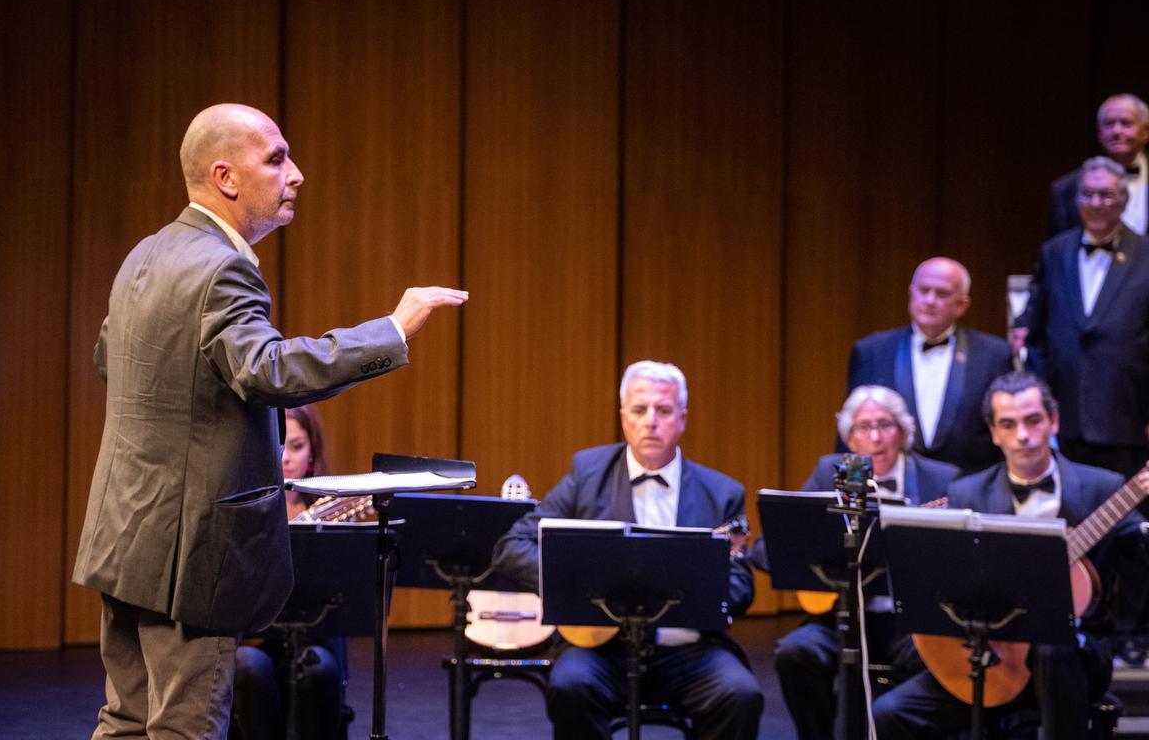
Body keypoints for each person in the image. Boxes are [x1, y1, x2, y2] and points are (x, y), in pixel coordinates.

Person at [73, 103, 468, 740]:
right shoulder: (221, 265)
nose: (298, 174)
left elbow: (108, 362)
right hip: (189, 553)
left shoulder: (144, 256)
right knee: (183, 728)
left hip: (125, 535)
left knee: (125, 721)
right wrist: (391, 330)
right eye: (277, 158)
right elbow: (267, 370)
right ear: (226, 178)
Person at [491, 360, 764, 740]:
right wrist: (577, 578)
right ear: (623, 417)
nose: (651, 421)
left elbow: (741, 585)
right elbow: (512, 546)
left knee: (740, 694)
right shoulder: (587, 474)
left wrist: (694, 584)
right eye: (639, 410)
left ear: (682, 419)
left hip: (689, 651)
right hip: (602, 649)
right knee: (570, 687)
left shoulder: (722, 492)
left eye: (664, 410)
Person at [873, 371, 1149, 739]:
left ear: (1054, 420)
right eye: (1009, 424)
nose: (1023, 435)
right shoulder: (967, 492)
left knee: (1052, 649)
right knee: (890, 712)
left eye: (1033, 420)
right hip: (989, 651)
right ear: (994, 433)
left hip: (1072, 656)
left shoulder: (1104, 488)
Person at [774, 385, 959, 740]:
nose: (876, 437)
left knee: (942, 661)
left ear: (903, 432)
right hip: (842, 619)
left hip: (913, 623)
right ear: (849, 439)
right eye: (863, 428)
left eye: (885, 425)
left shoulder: (942, 479)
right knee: (795, 653)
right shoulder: (834, 471)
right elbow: (775, 545)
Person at [1024, 156, 1149, 479]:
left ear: (1124, 201)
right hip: (1064, 420)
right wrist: (1043, 400)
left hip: (1128, 419)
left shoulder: (1146, 254)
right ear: (1076, 199)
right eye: (1088, 194)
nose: (1096, 203)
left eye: (1106, 195)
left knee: (1122, 524)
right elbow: (1035, 335)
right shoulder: (1054, 252)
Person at [232, 404, 346, 740]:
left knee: (319, 667)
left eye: (296, 447)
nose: (286, 458)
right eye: (279, 447)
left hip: (314, 636)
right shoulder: (243, 510)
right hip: (257, 636)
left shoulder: (328, 511)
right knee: (248, 666)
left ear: (312, 452)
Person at [845, 257, 1013, 473]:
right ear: (911, 293)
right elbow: (850, 430)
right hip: (890, 487)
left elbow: (1004, 429)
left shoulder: (994, 355)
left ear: (962, 305)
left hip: (969, 488)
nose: (930, 300)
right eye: (923, 291)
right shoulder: (871, 351)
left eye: (942, 293)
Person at [1050, 94, 1149, 238]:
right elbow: (1057, 254)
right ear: (1099, 132)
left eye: (1126, 123)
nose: (1117, 131)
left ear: (1145, 132)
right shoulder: (1066, 190)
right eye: (1109, 124)